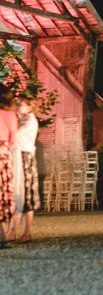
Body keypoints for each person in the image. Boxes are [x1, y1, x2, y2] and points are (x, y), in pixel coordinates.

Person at [7, 96, 40, 244]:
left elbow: (17, 136)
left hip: (25, 158)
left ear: (29, 107)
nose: (18, 107)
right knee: (23, 196)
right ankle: (15, 231)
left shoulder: (30, 121)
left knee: (26, 195)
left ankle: (22, 232)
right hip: (22, 157)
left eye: (21, 105)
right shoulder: (24, 120)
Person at [0, 85, 17, 249]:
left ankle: (2, 235)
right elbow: (13, 139)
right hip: (4, 154)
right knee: (3, 194)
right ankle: (3, 234)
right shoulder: (11, 115)